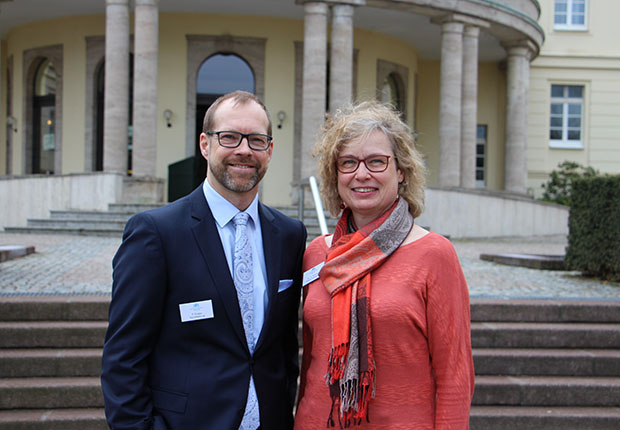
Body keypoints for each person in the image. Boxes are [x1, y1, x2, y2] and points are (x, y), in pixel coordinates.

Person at [101, 90, 307, 430]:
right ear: (205, 144)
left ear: (269, 151)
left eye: (256, 140)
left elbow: (284, 350)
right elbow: (123, 358)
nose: (244, 150)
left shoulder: (289, 235)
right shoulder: (156, 233)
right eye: (229, 137)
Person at [294, 101, 474, 429]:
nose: (362, 174)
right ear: (335, 174)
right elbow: (310, 361)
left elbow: (455, 377)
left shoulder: (435, 254)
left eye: (376, 161)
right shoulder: (316, 254)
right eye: (348, 162)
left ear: (401, 170)